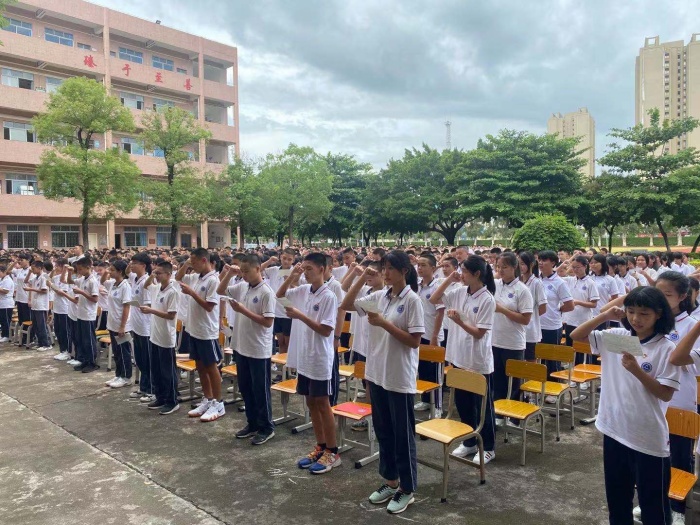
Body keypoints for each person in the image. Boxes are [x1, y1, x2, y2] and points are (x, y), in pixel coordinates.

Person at [571, 287, 679, 525]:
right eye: (630, 311)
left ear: (659, 314)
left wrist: (637, 371)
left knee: (654, 507)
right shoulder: (619, 337)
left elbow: (665, 394)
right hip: (615, 430)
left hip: (647, 438)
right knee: (618, 501)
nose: (636, 319)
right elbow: (576, 336)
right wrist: (604, 315)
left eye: (644, 313)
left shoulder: (665, 347)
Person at [341, 251, 424, 514]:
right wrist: (361, 277)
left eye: (390, 268)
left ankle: (407, 489)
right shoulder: (379, 296)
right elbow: (346, 303)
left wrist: (384, 323)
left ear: (404, 271)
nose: (385, 273)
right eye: (383, 268)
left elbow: (414, 341)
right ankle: (390, 481)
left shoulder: (412, 300)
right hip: (377, 374)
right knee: (384, 431)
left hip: (398, 376)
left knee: (402, 435)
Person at [429, 255, 497, 464]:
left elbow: (479, 333)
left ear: (477, 274)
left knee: (482, 407)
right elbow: (434, 299)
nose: (462, 275)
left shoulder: (487, 299)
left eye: (465, 271)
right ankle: (469, 442)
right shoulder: (460, 291)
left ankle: (488, 447)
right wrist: (449, 279)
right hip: (458, 356)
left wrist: (458, 321)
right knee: (463, 404)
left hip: (477, 360)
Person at [277, 253, 339, 474]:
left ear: (322, 269)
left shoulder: (328, 296)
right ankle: (320, 446)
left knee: (323, 403)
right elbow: (279, 295)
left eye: (310, 268)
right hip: (305, 356)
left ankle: (332, 451)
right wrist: (291, 276)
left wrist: (300, 316)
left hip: (320, 358)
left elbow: (326, 330)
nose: (306, 273)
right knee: (310, 401)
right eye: (304, 268)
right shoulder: (304, 290)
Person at [219, 255, 276, 444]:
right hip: (241, 346)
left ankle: (266, 427)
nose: (243, 275)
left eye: (246, 271)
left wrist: (243, 310)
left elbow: (268, 322)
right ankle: (252, 423)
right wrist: (229, 274)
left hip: (258, 349)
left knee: (260, 390)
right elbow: (220, 290)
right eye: (241, 271)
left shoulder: (266, 292)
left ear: (258, 269)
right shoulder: (243, 286)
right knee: (245, 387)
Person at [176, 248, 225, 423]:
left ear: (204, 260)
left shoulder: (213, 280)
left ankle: (218, 403)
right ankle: (208, 398)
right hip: (194, 329)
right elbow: (178, 278)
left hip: (207, 331)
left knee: (211, 367)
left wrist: (192, 293)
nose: (193, 265)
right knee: (200, 367)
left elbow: (209, 306)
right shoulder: (196, 277)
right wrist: (186, 264)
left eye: (195, 262)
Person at [491, 252, 533, 405]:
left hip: (513, 343)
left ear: (514, 267)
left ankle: (514, 414)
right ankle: (498, 412)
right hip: (495, 341)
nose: (500, 270)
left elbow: (525, 319)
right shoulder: (495, 285)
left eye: (504, 267)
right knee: (497, 381)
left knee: (514, 384)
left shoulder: (522, 290)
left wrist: (503, 310)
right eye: (498, 267)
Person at [139, 259, 180, 415]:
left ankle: (172, 400)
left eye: (159, 273)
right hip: (155, 335)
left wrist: (151, 311)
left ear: (169, 274)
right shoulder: (157, 288)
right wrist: (152, 274)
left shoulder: (172, 292)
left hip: (166, 337)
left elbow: (171, 315)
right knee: (156, 370)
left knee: (167, 371)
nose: (156, 276)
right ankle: (160, 397)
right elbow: (146, 285)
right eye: (156, 273)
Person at [414, 253, 445, 413]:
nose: (419, 268)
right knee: (423, 369)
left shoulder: (436, 287)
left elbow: (440, 313)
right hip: (419, 334)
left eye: (423, 265)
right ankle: (426, 400)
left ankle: (437, 406)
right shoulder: (417, 286)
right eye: (418, 265)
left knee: (434, 373)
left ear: (433, 268)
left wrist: (434, 336)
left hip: (433, 335)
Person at [537, 251, 574, 373]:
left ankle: (554, 383)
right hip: (536, 325)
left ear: (553, 263)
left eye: (544, 260)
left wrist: (557, 310)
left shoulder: (559, 282)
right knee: (538, 361)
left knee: (552, 362)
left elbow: (570, 305)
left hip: (551, 326)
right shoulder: (536, 279)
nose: (540, 263)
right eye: (539, 260)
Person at [129, 253, 154, 403]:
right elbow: (127, 272)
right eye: (131, 262)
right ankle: (143, 387)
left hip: (145, 327)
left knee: (147, 360)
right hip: (136, 325)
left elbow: (149, 304)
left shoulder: (147, 282)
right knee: (139, 359)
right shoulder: (135, 279)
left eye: (135, 263)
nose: (131, 265)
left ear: (143, 265)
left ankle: (151, 389)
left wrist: (139, 306)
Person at [104, 260, 133, 389]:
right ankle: (119, 374)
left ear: (120, 272)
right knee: (116, 351)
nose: (109, 272)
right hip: (112, 323)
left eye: (112, 270)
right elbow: (102, 281)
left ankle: (126, 377)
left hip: (121, 325)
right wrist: (106, 272)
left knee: (123, 351)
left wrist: (122, 326)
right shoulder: (113, 284)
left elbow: (126, 307)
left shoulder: (125, 286)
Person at [262, 248, 296, 356]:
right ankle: (281, 363)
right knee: (281, 342)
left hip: (288, 311)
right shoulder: (274, 270)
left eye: (289, 259)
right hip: (275, 311)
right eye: (284, 258)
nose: (286, 261)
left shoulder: (295, 272)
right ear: (280, 257)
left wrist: (289, 280)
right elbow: (258, 270)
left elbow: (298, 288)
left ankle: (289, 364)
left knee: (289, 342)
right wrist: (269, 261)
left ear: (293, 260)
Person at [69, 258, 100, 372]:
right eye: (77, 269)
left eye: (80, 269)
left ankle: (92, 362)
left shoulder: (93, 281)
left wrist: (81, 292)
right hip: (81, 313)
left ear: (88, 267)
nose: (79, 271)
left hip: (88, 314)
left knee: (89, 340)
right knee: (81, 339)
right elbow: (69, 281)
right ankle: (85, 361)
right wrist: (69, 272)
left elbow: (95, 299)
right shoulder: (82, 279)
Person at [518, 252, 547, 362]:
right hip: (517, 329)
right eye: (518, 264)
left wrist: (528, 316)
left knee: (530, 363)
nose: (520, 267)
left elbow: (543, 308)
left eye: (522, 264)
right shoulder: (517, 281)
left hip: (531, 330)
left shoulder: (536, 283)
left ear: (531, 264)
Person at [23, 260, 52, 352]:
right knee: (36, 325)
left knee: (42, 325)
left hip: (41, 305)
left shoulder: (44, 277)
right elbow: (26, 281)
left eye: (33, 268)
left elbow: (44, 290)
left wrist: (31, 289)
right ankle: (40, 343)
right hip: (35, 304)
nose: (32, 270)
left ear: (39, 268)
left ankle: (46, 344)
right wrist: (29, 272)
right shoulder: (35, 277)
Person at [0, 263, 15, 343]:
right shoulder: (2, 279)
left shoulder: (8, 280)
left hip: (6, 303)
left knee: (6, 320)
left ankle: (7, 335)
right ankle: (4, 334)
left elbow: (5, 291)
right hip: (2, 303)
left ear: (4, 272)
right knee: (2, 320)